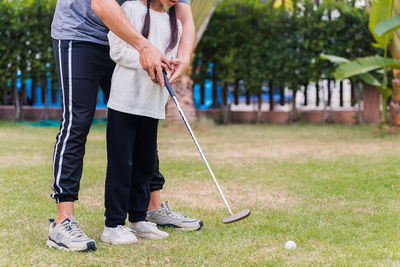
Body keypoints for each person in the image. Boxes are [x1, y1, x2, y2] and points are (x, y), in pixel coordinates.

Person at [46, 0, 202, 252]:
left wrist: (183, 59)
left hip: (129, 37)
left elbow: (184, 17)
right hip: (81, 33)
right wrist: (144, 46)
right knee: (77, 121)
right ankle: (63, 221)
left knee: (140, 121)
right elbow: (100, 4)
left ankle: (149, 210)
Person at [101, 0, 184, 245]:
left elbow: (170, 59)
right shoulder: (130, 10)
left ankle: (138, 220)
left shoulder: (175, 23)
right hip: (124, 102)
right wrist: (146, 60)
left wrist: (169, 68)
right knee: (121, 164)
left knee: (145, 164)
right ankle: (113, 224)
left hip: (152, 105)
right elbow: (116, 50)